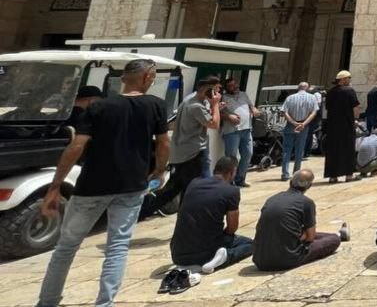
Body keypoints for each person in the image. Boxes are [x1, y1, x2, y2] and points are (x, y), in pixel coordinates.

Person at [36, 58, 170, 307]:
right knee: (117, 247)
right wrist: (159, 171)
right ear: (147, 78)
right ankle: (104, 303)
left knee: (65, 248)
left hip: (92, 185)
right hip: (131, 185)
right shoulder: (156, 106)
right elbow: (163, 143)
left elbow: (76, 146)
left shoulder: (98, 108)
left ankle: (47, 302)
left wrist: (55, 186)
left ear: (122, 79)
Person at [144, 77, 222, 218]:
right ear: (207, 90)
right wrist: (215, 105)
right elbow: (214, 124)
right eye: (216, 90)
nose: (218, 93)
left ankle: (142, 211)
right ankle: (190, 220)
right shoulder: (195, 106)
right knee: (198, 189)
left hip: (181, 153)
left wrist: (212, 106)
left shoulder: (190, 99)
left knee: (174, 189)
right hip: (194, 153)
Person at [170, 155, 252, 273]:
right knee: (251, 244)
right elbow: (232, 227)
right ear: (232, 172)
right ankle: (223, 257)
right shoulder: (231, 191)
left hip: (178, 254)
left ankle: (206, 259)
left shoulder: (194, 184)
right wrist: (224, 238)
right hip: (205, 254)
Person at [253, 170, 347, 270]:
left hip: (260, 260)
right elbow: (310, 237)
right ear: (309, 186)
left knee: (310, 234)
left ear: (290, 182)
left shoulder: (271, 199)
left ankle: (337, 234)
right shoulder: (306, 202)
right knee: (333, 239)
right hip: (287, 259)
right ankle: (339, 235)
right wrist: (304, 235)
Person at [219, 77, 258, 188]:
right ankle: (229, 182)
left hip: (247, 129)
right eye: (231, 85)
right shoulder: (223, 97)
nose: (235, 87)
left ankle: (240, 179)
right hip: (232, 131)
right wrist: (228, 116)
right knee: (231, 157)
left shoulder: (243, 94)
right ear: (226, 88)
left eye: (235, 84)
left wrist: (254, 109)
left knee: (248, 154)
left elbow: (250, 105)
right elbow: (216, 112)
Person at [324, 71, 361, 183]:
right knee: (348, 149)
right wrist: (356, 119)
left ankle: (332, 176)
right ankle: (349, 175)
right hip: (347, 124)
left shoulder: (330, 92)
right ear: (343, 79)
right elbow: (356, 107)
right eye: (348, 78)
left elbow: (327, 107)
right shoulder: (349, 90)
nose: (349, 80)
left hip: (333, 126)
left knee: (333, 150)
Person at [281, 82, 318, 180]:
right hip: (303, 126)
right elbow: (313, 112)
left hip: (290, 125)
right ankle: (296, 173)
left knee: (286, 150)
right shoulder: (312, 97)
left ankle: (285, 174)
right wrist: (303, 124)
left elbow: (285, 112)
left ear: (298, 87)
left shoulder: (290, 97)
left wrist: (293, 122)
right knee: (299, 150)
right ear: (307, 88)